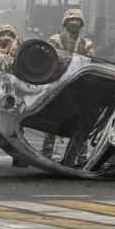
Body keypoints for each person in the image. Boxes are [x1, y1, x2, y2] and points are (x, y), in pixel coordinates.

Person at [43, 9, 95, 163]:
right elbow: (48, 60)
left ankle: (81, 157)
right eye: (71, 20)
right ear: (65, 22)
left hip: (79, 88)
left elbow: (91, 64)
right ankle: (46, 154)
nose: (74, 23)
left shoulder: (87, 43)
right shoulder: (55, 40)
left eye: (77, 20)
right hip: (57, 86)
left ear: (81, 23)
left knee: (81, 123)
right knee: (52, 122)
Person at [0, 24, 28, 168]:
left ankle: (18, 157)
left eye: (9, 35)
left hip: (15, 93)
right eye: (3, 35)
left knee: (16, 126)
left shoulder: (19, 52)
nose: (6, 37)